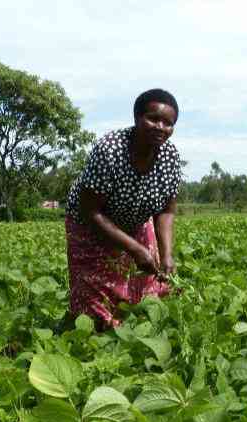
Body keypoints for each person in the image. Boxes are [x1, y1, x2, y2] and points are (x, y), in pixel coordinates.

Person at [64, 89, 182, 330]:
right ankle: (95, 340)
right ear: (137, 118)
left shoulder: (170, 157)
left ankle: (135, 333)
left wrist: (166, 253)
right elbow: (90, 211)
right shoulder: (111, 150)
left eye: (168, 123)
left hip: (136, 221)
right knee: (94, 294)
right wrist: (135, 248)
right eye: (153, 119)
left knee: (147, 285)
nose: (160, 127)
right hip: (91, 222)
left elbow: (166, 211)